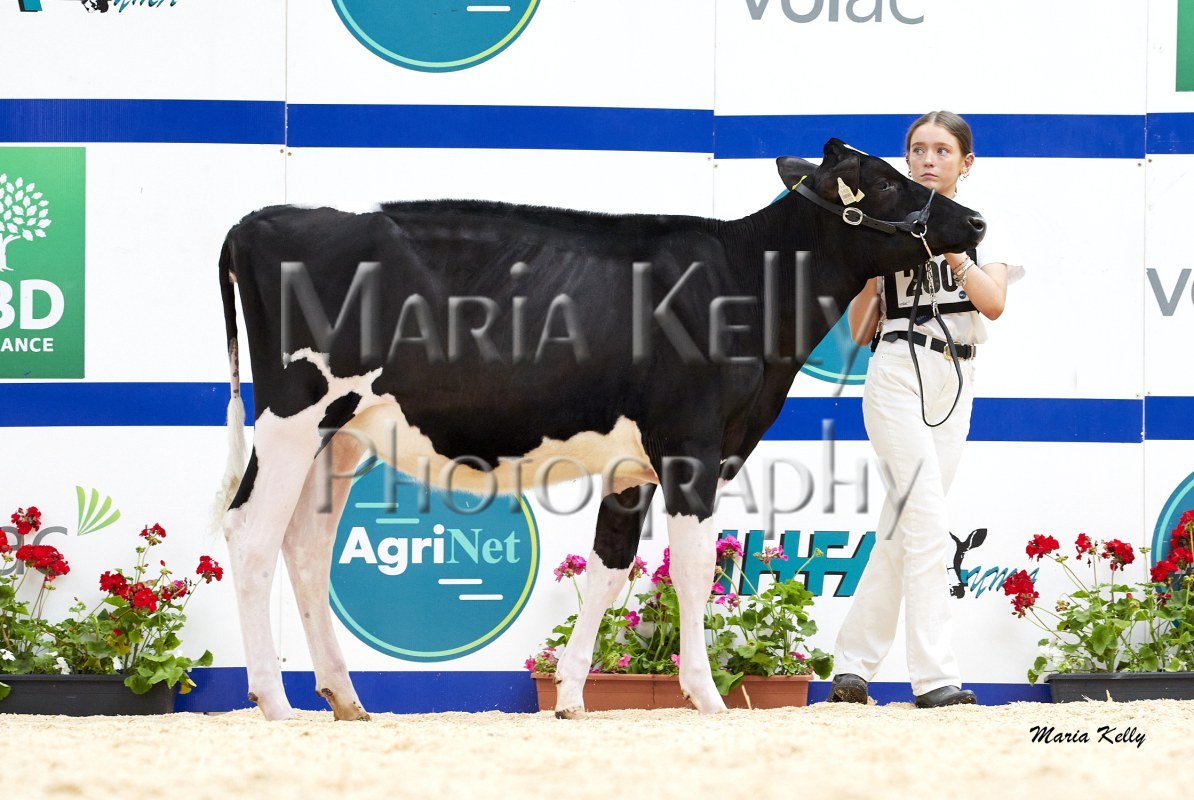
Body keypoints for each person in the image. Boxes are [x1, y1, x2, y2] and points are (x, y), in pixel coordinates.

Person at [828, 111, 1024, 709]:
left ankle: (852, 666)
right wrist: (872, 266)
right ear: (907, 158)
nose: (928, 159)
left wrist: (955, 251)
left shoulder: (982, 224)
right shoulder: (885, 222)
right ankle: (935, 677)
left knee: (901, 526)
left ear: (966, 162)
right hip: (895, 367)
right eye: (918, 149)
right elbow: (859, 331)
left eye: (942, 149)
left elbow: (993, 304)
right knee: (926, 519)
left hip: (957, 375)